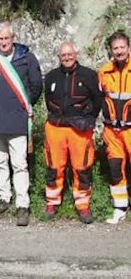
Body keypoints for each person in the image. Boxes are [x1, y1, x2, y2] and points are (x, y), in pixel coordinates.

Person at [0, 22, 42, 226]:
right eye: (0, 39)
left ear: (13, 38)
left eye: (7, 38)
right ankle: (4, 198)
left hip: (17, 120)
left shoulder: (26, 57)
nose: (4, 42)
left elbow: (36, 86)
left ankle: (22, 205)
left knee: (19, 164)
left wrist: (23, 105)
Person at [43, 42, 102, 224]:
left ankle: (82, 205)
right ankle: (52, 201)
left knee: (82, 167)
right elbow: (48, 101)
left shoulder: (89, 75)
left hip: (80, 129)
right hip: (56, 128)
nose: (67, 57)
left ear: (76, 53)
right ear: (59, 57)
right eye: (63, 55)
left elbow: (98, 100)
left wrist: (87, 118)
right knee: (53, 166)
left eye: (70, 54)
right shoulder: (52, 76)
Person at [99, 31, 131, 224]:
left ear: (128, 48)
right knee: (115, 168)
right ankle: (120, 207)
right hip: (112, 130)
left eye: (122, 47)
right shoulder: (104, 71)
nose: (119, 51)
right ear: (111, 50)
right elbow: (98, 98)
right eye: (115, 48)